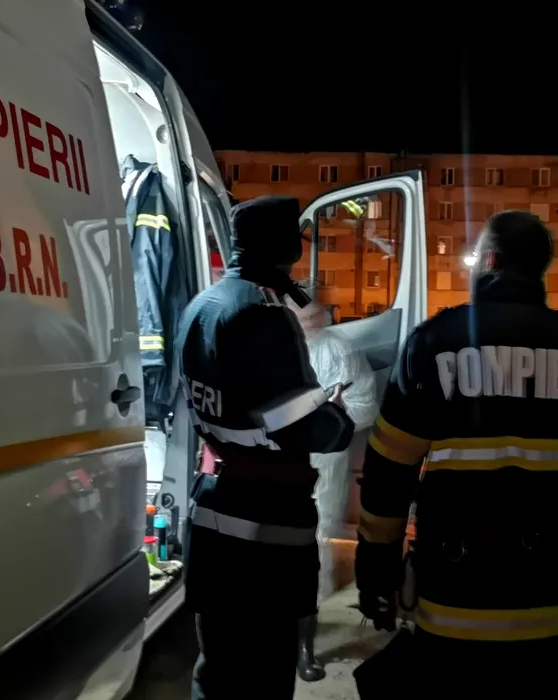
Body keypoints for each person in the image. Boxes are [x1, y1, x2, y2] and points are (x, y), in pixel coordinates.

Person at [353, 210, 558, 699]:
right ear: (540, 268)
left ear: (488, 261)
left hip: (454, 604)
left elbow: (389, 473)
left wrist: (376, 575)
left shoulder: (434, 342)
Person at [176, 195, 355, 700]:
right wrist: (336, 415)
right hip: (266, 530)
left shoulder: (200, 305)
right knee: (265, 675)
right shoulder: (265, 314)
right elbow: (303, 426)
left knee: (216, 668)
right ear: (286, 249)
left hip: (211, 511)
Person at [289, 301, 379, 682]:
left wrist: (329, 424)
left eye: (310, 314)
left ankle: (307, 635)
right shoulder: (275, 345)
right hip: (281, 461)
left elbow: (365, 404)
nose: (306, 321)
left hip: (322, 461)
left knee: (317, 538)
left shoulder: (338, 351)